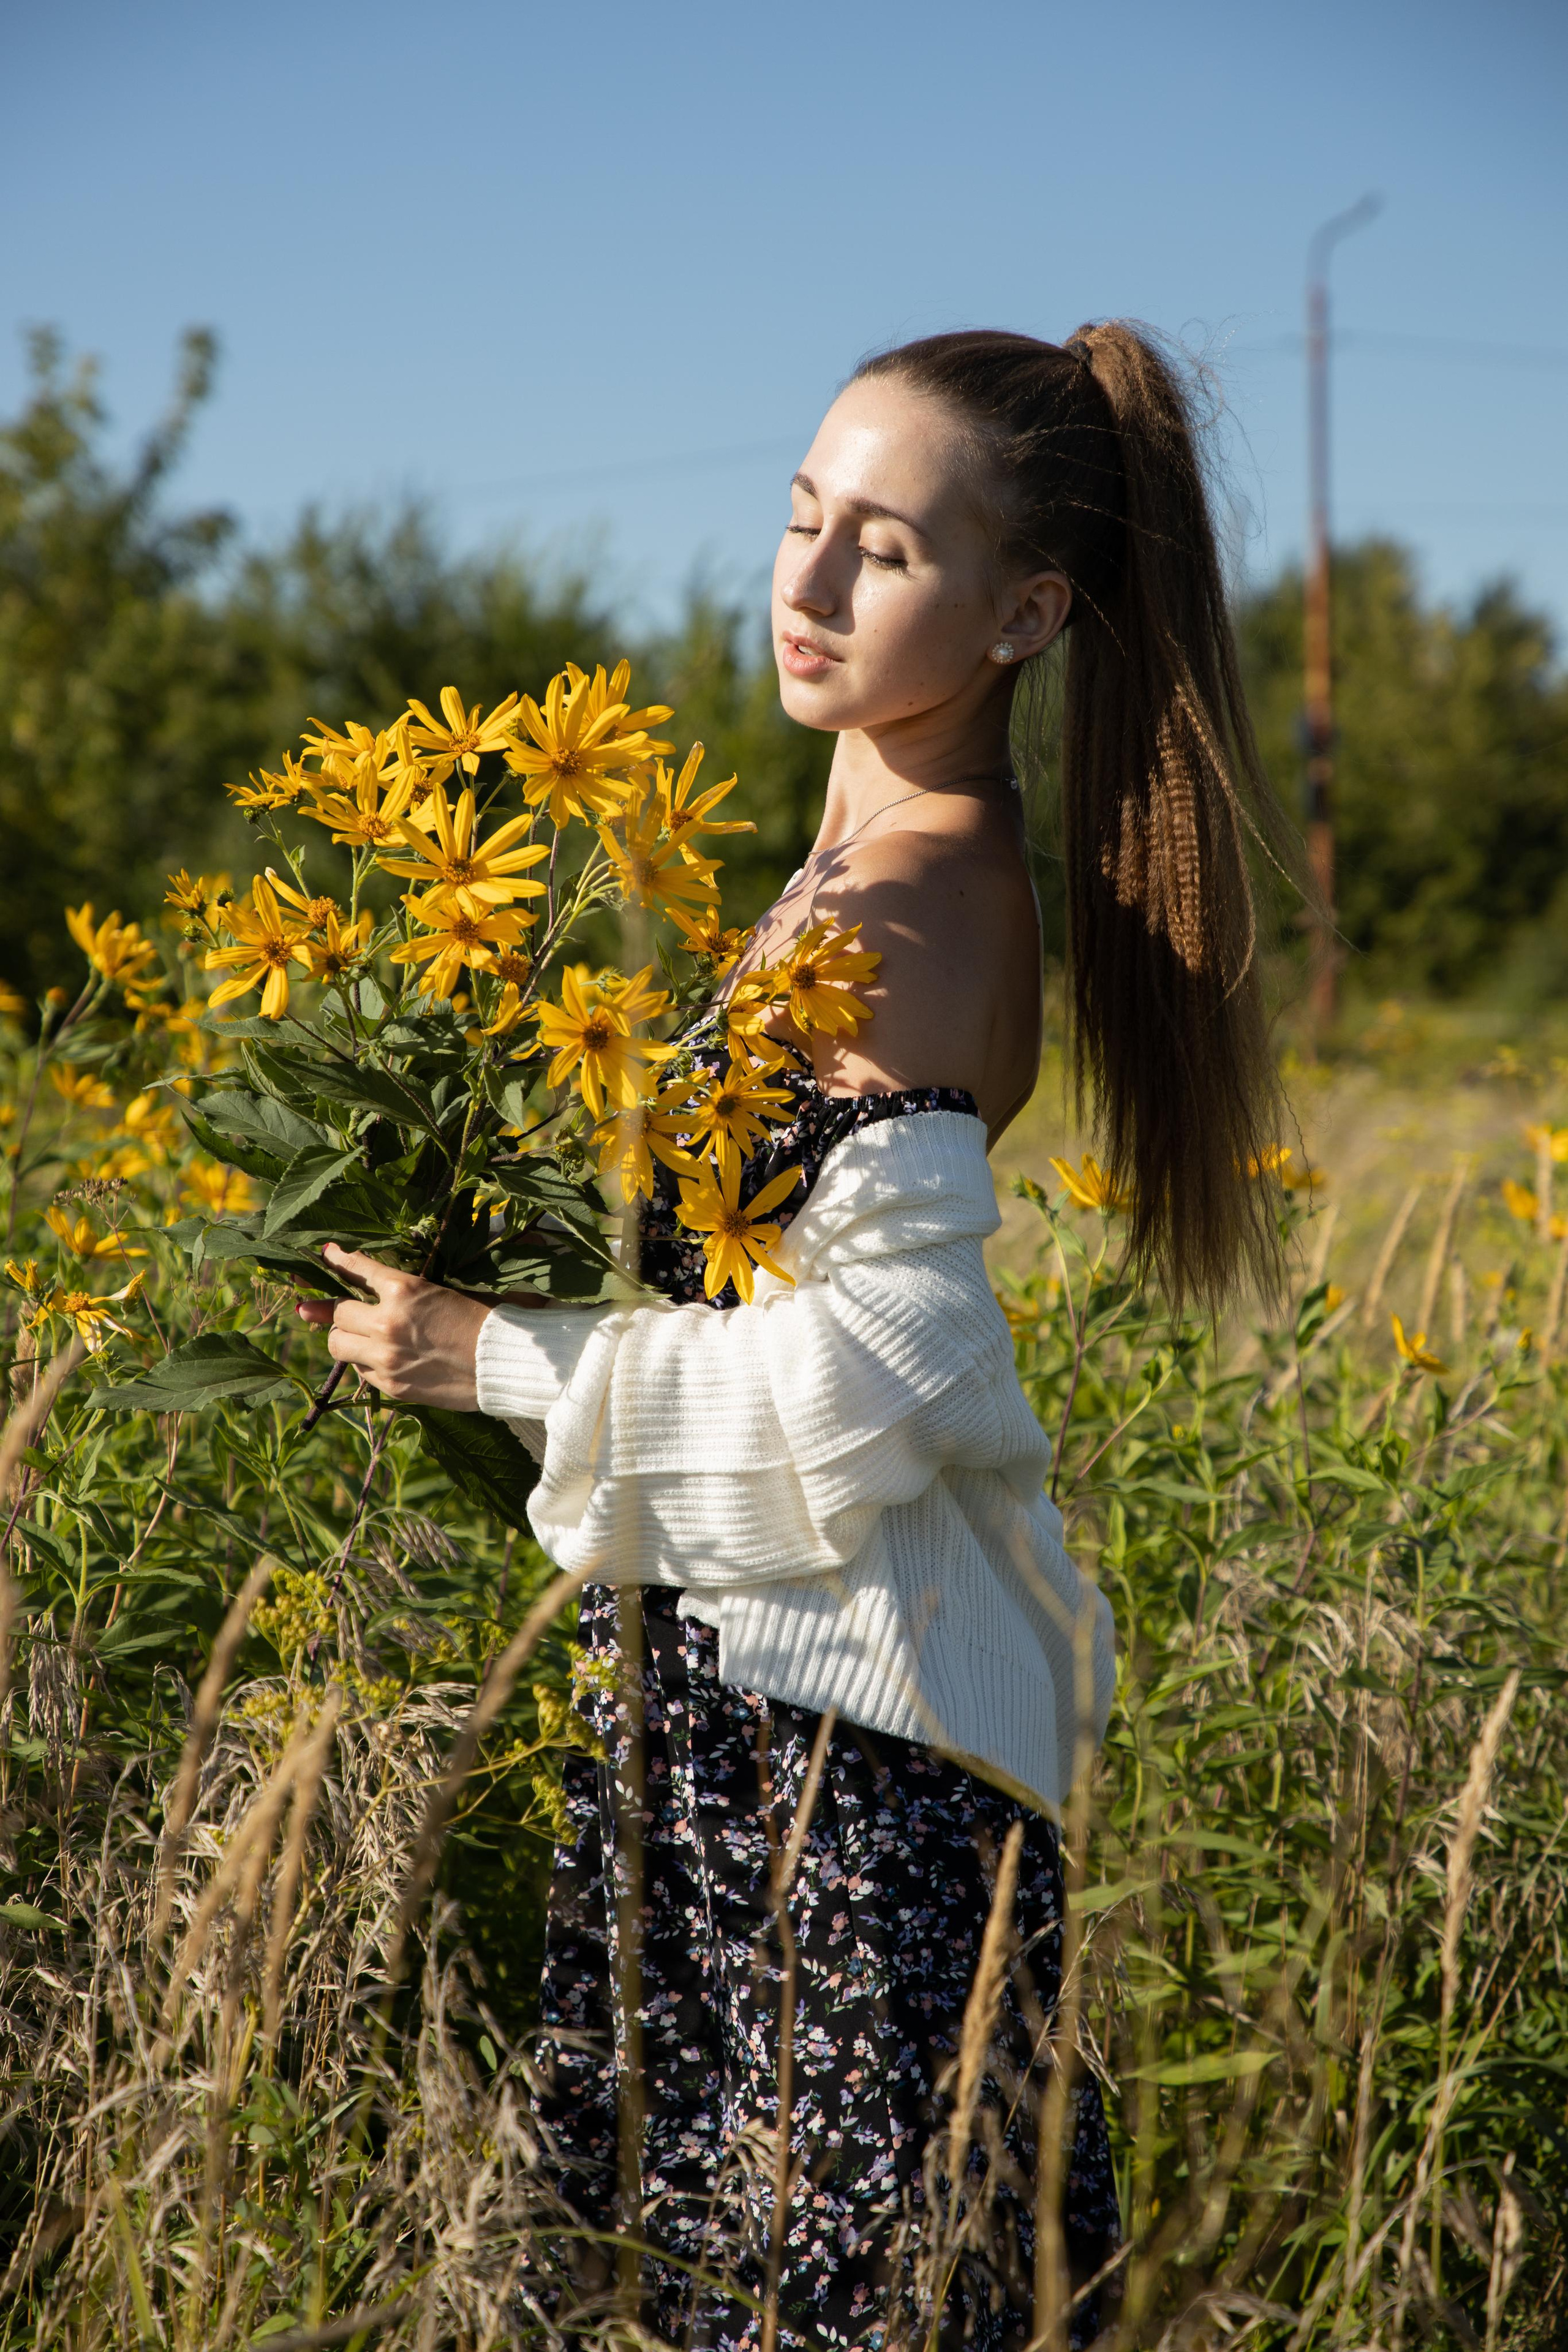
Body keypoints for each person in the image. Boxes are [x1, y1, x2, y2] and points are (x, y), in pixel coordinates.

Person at [301, 323, 1284, 2348]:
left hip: (846, 1765)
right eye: (801, 517)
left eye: (887, 551)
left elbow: (884, 1368)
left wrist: (495, 1359)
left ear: (1026, 615)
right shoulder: (859, 880)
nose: (810, 583)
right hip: (765, 1715)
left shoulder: (903, 922)